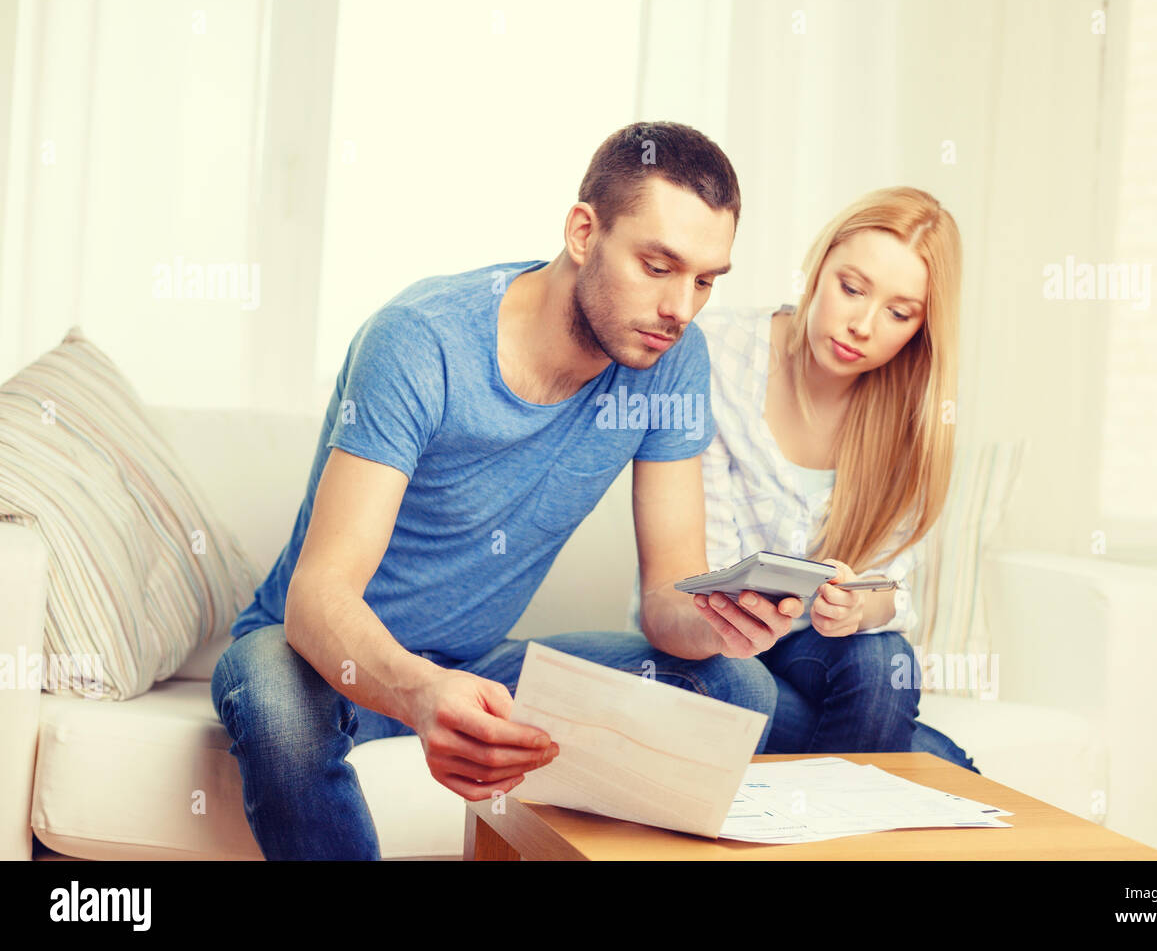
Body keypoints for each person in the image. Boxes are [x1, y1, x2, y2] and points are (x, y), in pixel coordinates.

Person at [210, 121, 796, 860]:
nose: (682, 306)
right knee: (276, 706)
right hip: (317, 658)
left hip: (475, 667)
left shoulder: (672, 362)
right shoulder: (421, 340)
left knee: (740, 687)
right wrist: (422, 693)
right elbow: (318, 595)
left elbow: (666, 601)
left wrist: (719, 621)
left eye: (706, 280)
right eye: (658, 265)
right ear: (584, 231)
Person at [630, 186, 979, 770]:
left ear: (921, 327)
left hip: (817, 653)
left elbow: (890, 588)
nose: (862, 325)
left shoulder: (913, 418)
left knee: (880, 658)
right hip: (717, 647)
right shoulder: (713, 355)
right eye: (851, 288)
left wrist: (856, 608)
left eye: (898, 313)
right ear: (817, 270)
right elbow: (695, 580)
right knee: (940, 763)